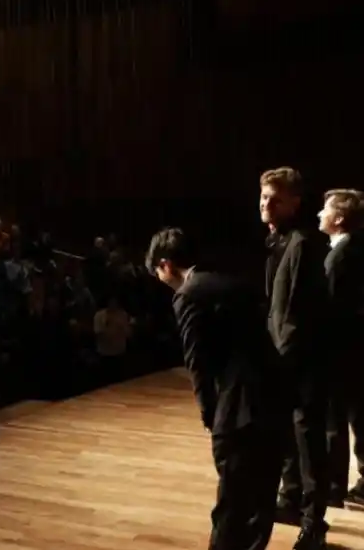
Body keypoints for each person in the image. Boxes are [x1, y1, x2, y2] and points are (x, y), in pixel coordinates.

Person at [146, 227, 285, 550]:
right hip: (274, 392)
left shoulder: (189, 293)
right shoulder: (233, 282)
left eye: (157, 272)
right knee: (263, 493)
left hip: (239, 405)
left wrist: (210, 414)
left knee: (232, 500)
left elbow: (198, 363)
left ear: (165, 264)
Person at [260, 166, 330, 549]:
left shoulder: (303, 242)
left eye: (275, 199)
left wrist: (282, 361)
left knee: (307, 441)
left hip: (302, 362)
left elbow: (298, 313)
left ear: (295, 203)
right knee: (287, 435)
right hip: (283, 358)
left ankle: (313, 523)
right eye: (264, 197)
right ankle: (289, 501)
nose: (267, 204)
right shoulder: (276, 241)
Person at [318, 188, 364, 504]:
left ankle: (334, 487)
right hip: (354, 348)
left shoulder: (340, 256)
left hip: (343, 350)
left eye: (325, 210)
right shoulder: (352, 250)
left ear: (338, 218)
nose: (319, 214)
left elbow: (330, 306)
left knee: (339, 419)